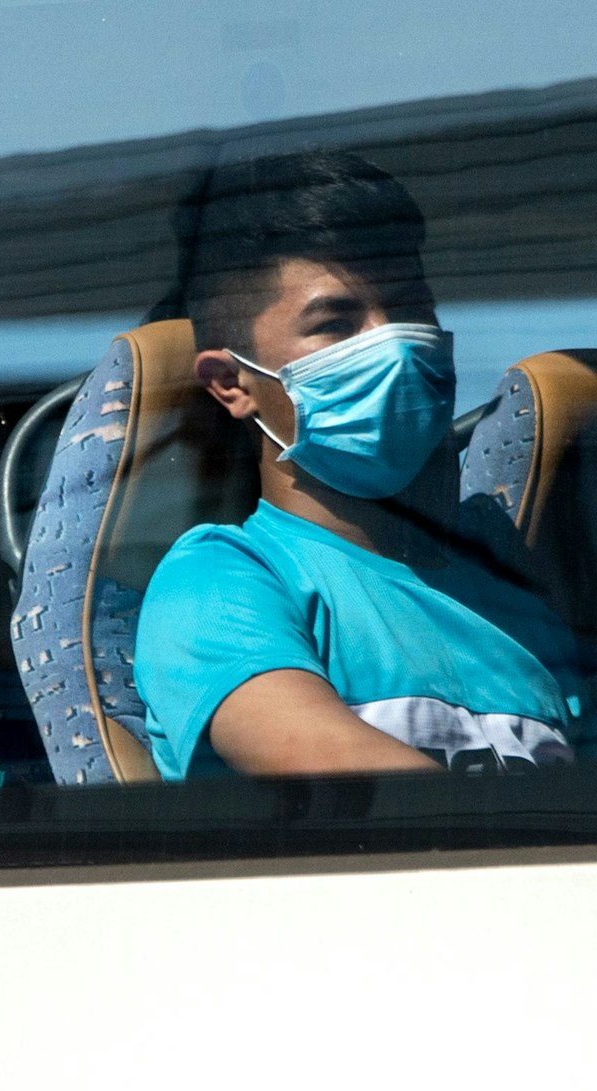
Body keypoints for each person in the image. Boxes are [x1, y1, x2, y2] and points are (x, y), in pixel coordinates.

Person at [137, 150, 587, 779]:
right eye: (336, 324)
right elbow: (325, 763)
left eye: (410, 311)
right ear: (232, 383)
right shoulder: (224, 579)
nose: (395, 346)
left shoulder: (519, 607)